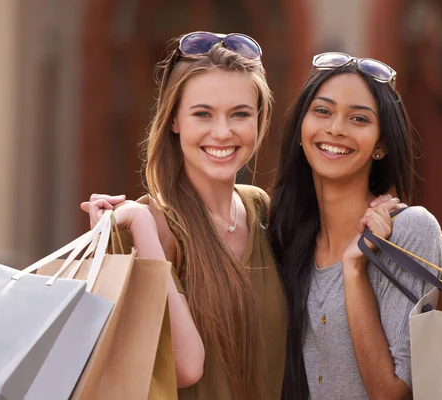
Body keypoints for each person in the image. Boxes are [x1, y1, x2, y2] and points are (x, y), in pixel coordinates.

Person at [82, 32, 287, 400]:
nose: (222, 132)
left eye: (239, 114)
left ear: (259, 119)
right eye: (203, 114)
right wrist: (144, 231)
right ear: (174, 120)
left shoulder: (262, 210)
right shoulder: (141, 227)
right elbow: (184, 367)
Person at [269, 52, 442, 399]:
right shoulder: (283, 235)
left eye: (359, 119)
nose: (335, 128)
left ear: (380, 145)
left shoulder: (408, 232)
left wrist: (354, 269)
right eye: (322, 111)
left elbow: (393, 394)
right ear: (302, 127)